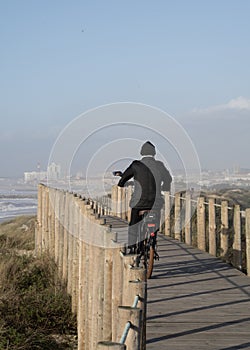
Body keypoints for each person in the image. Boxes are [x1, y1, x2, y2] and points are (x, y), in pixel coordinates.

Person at [117, 141, 172, 252]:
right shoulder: (159, 165)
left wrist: (121, 183)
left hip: (139, 202)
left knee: (134, 224)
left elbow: (123, 179)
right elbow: (168, 178)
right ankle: (153, 238)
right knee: (155, 221)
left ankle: (132, 246)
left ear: (141, 152)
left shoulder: (136, 165)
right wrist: (165, 187)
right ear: (154, 153)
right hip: (155, 202)